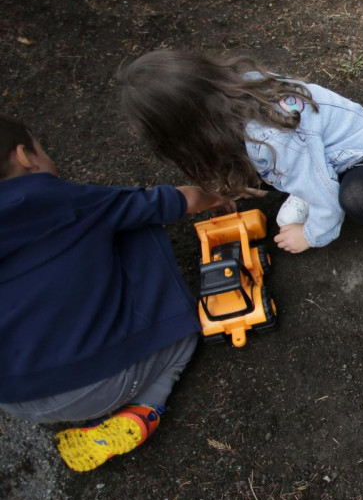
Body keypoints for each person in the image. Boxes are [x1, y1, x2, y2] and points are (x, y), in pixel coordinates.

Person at [0, 116, 227, 471]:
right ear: (25, 156)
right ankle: (144, 408)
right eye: (40, 148)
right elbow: (165, 202)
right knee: (178, 340)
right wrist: (218, 196)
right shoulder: (55, 198)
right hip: (95, 384)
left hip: (16, 397)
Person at [117, 50, 363, 277]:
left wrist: (311, 234)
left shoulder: (269, 135)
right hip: (312, 156)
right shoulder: (234, 95)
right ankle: (303, 187)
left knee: (360, 199)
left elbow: (326, 193)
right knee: (249, 167)